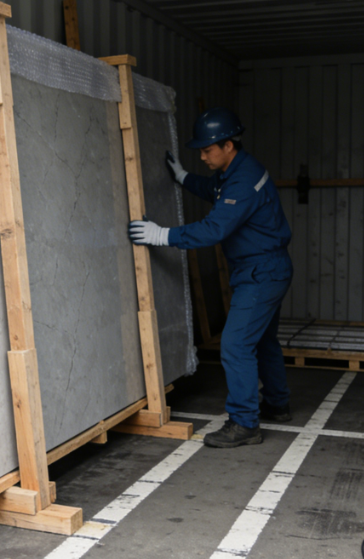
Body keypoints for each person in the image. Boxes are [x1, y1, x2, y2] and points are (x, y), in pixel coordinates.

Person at [129, 107, 293, 448]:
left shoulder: (244, 180)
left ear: (228, 145)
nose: (202, 156)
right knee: (263, 340)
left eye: (207, 150)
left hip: (261, 272)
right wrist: (183, 177)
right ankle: (278, 404)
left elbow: (214, 228)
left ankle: (244, 424)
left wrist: (162, 235)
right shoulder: (234, 171)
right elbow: (212, 190)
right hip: (267, 268)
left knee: (235, 344)